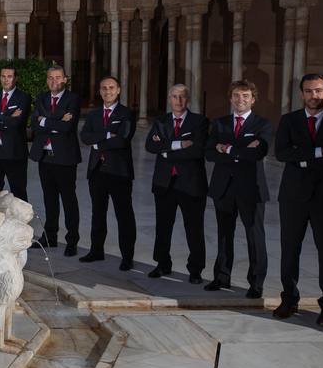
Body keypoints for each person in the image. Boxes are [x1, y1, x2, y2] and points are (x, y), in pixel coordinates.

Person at [274, 73, 323, 324]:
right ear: (302, 94)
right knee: (289, 249)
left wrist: (302, 157)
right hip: (293, 197)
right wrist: (318, 152)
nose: (313, 95)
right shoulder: (288, 121)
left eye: (318, 91)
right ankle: (289, 299)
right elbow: (282, 154)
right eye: (308, 91)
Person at [205, 79, 273, 298]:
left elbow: (257, 153)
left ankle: (256, 283)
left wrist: (226, 148)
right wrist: (240, 149)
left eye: (245, 96)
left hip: (250, 188)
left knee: (255, 236)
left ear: (253, 99)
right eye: (236, 95)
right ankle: (221, 277)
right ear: (230, 98)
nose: (240, 100)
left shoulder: (262, 124)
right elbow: (209, 153)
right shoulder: (219, 123)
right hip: (223, 187)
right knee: (224, 234)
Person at [144, 84, 208, 282]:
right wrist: (178, 144)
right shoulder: (160, 121)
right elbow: (149, 145)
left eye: (182, 97)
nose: (178, 101)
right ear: (169, 99)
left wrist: (165, 151)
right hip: (164, 183)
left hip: (191, 185)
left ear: (188, 99)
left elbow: (197, 151)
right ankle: (162, 264)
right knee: (163, 226)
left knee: (194, 228)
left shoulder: (200, 122)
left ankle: (195, 270)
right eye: (174, 96)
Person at [78, 76, 137, 270]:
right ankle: (96, 251)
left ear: (119, 90)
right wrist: (106, 135)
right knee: (97, 213)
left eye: (111, 88)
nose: (108, 91)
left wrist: (97, 142)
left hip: (119, 173)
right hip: (97, 171)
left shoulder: (127, 113)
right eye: (104, 88)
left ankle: (127, 256)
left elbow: (122, 140)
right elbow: (85, 137)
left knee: (124, 215)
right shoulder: (94, 115)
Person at [28, 64, 81, 254]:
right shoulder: (42, 97)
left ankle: (72, 240)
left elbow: (68, 127)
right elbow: (35, 124)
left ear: (65, 79)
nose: (54, 81)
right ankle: (50, 237)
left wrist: (45, 120)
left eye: (58, 77)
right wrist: (57, 120)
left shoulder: (73, 99)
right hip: (45, 157)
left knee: (68, 200)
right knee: (49, 200)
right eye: (50, 77)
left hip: (65, 158)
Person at [0, 63, 30, 202]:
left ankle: (21, 223)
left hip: (15, 152)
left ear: (16, 79)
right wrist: (6, 117)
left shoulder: (24, 98)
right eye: (3, 76)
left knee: (19, 192)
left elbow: (17, 123)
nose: (6, 79)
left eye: (9, 76)